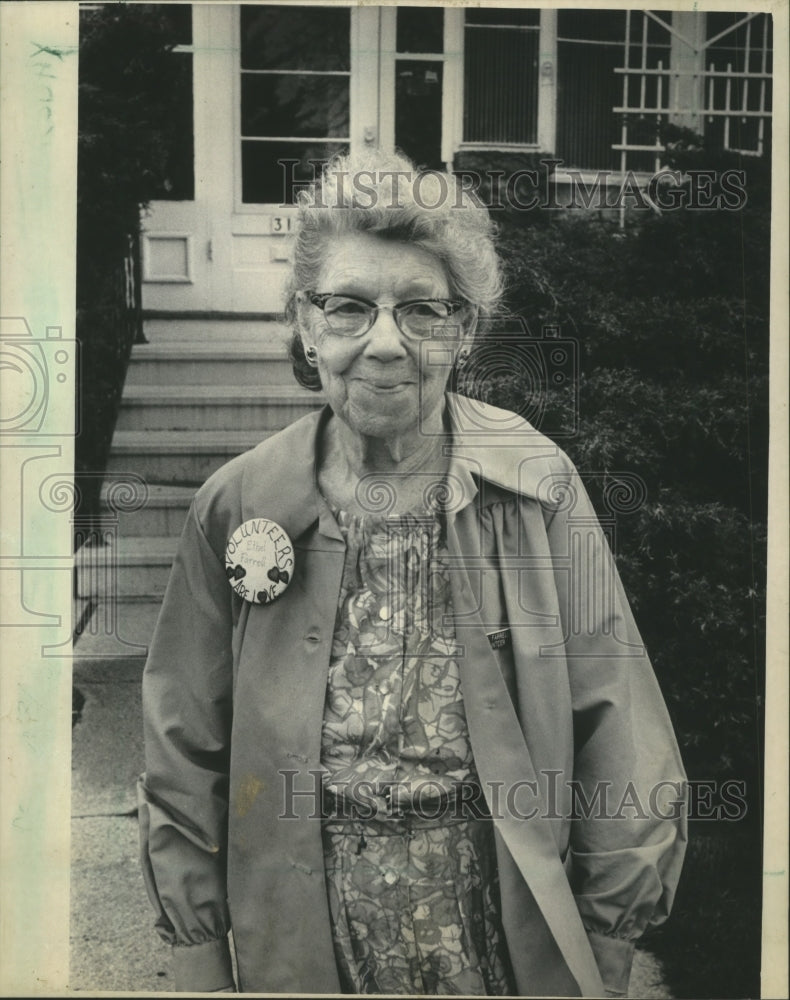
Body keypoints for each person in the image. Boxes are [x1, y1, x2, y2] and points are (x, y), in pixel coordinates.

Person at [138, 151, 687, 996]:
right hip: (304, 939)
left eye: (423, 310)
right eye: (350, 307)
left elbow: (622, 728)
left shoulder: (536, 483)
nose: (386, 342)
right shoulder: (238, 503)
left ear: (464, 331)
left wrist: (608, 939)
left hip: (496, 939)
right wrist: (199, 960)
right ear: (307, 325)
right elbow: (183, 745)